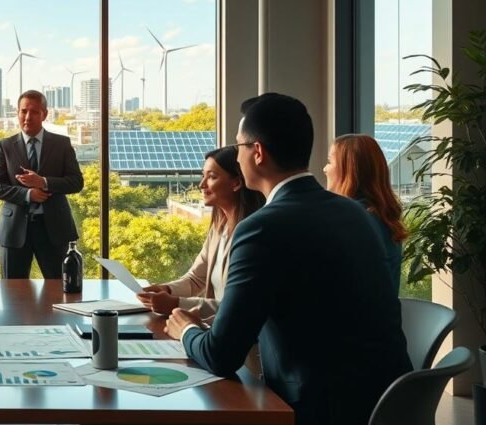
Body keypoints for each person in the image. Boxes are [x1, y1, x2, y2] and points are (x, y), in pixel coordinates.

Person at [165, 93, 411, 425]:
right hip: (388, 402)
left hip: (313, 409)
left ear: (258, 152)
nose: (236, 158)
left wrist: (185, 329)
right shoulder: (357, 213)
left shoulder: (260, 229)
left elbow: (220, 355)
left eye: (238, 148)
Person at [137, 146, 264, 319]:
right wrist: (167, 289)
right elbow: (197, 278)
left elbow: (239, 308)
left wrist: (176, 304)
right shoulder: (219, 228)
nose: (201, 184)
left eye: (211, 177)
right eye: (203, 175)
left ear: (236, 183)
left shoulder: (254, 236)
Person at [0, 90, 84, 279]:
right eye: (23, 111)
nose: (28, 117)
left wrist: (44, 182)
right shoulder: (5, 146)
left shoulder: (62, 144)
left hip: (54, 229)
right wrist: (27, 194)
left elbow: (76, 182)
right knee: (12, 294)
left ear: (44, 114)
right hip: (14, 230)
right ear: (17, 113)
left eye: (34, 112)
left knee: (61, 289)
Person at [324, 133, 406, 293]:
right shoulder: (379, 216)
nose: (325, 169)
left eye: (330, 161)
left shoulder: (354, 221)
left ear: (349, 169)